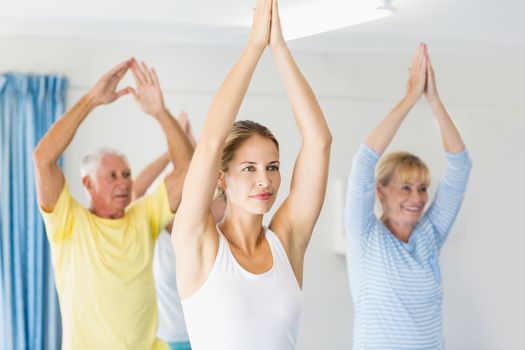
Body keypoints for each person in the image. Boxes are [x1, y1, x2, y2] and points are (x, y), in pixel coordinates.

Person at [171, 0, 332, 349]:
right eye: (249, 168)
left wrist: (280, 48)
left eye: (272, 167)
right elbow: (212, 138)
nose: (265, 180)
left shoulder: (286, 240)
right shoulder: (198, 241)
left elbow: (319, 141)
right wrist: (254, 47)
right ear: (221, 177)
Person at [33, 59, 193, 350]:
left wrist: (161, 113)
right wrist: (92, 99)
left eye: (127, 174)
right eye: (112, 176)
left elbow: (186, 173)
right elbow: (42, 158)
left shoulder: (143, 217)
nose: (124, 183)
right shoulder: (68, 223)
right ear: (88, 184)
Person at [344, 43, 472, 349]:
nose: (417, 197)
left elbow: (460, 167)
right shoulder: (364, 234)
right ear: (380, 191)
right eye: (405, 187)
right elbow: (363, 163)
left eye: (422, 187)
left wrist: (434, 101)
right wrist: (410, 98)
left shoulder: (429, 234)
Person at [132, 111, 224, 350]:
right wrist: (170, 151)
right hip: (165, 340)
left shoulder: (205, 227)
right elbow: (135, 191)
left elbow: (214, 180)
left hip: (204, 336)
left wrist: (193, 141)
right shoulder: (154, 229)